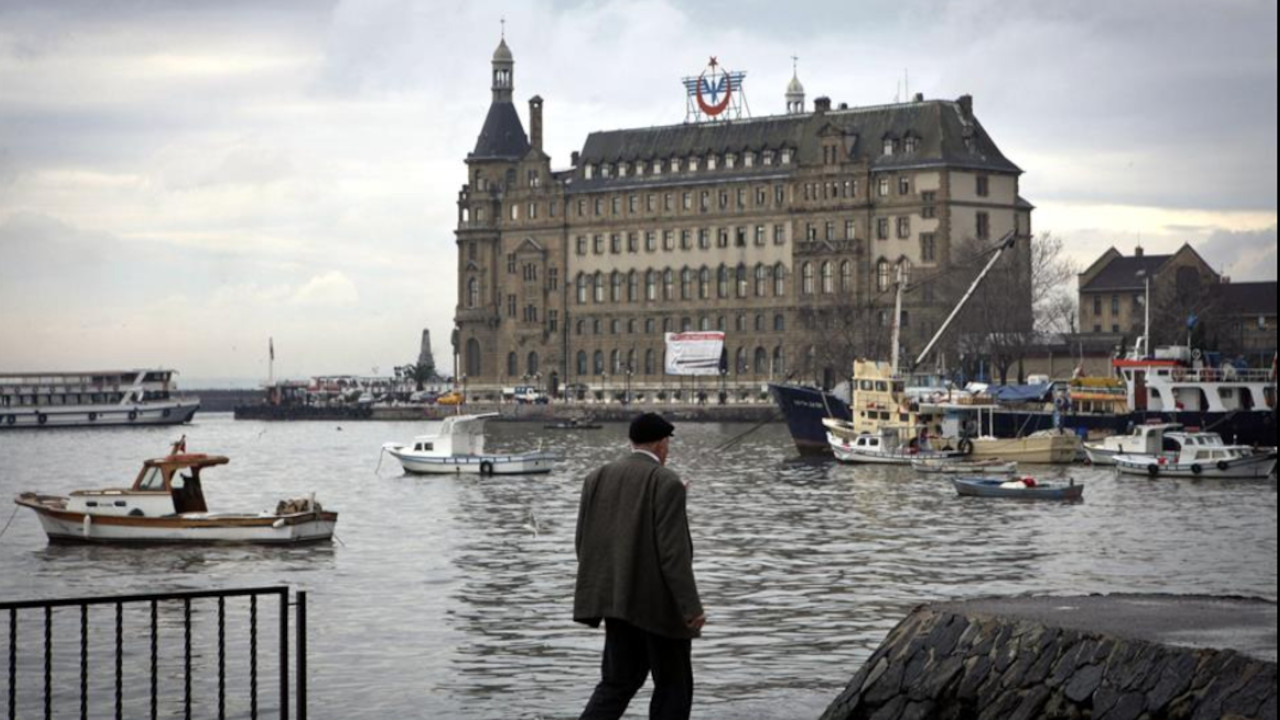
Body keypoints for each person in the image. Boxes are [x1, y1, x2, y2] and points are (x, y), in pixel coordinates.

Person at [574, 412, 705, 720]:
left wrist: (611, 587)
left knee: (617, 682)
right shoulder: (667, 481)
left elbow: (583, 542)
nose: (668, 450)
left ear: (632, 442)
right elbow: (673, 556)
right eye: (667, 444)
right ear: (661, 444)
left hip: (616, 602)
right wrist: (691, 608)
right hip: (658, 607)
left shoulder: (596, 477)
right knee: (673, 687)